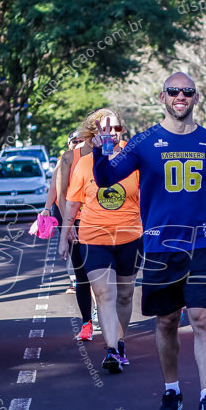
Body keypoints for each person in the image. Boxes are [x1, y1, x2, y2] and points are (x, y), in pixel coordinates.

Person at [93, 72, 206, 410]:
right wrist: (99, 152)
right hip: (159, 246)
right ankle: (172, 389)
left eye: (187, 92)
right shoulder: (144, 142)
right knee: (167, 321)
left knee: (203, 319)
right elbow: (106, 178)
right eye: (174, 91)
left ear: (196, 98)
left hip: (201, 243)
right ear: (162, 97)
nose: (180, 96)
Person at [59, 108, 141, 374]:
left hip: (130, 235)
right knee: (105, 293)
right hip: (94, 236)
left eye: (116, 129)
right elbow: (72, 203)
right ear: (94, 134)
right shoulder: (84, 163)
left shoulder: (134, 158)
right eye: (105, 129)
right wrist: (64, 235)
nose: (111, 134)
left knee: (125, 295)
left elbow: (148, 195)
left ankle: (120, 341)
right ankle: (112, 350)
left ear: (122, 131)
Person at [45, 129, 95, 341]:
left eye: (81, 140)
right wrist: (67, 223)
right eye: (74, 141)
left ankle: (106, 318)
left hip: (99, 223)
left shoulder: (98, 159)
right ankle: (87, 322)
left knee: (103, 275)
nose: (77, 143)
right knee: (82, 273)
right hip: (74, 221)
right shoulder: (65, 161)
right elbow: (59, 193)